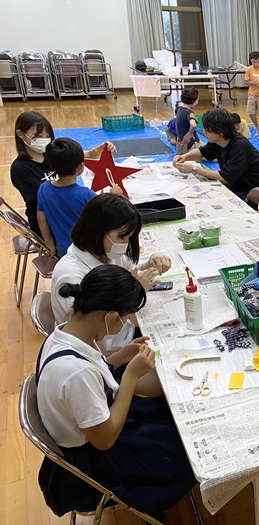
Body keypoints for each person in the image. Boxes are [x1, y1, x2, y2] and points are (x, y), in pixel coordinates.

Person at [37, 265, 196, 520]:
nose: (125, 324)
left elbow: (93, 375)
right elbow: (105, 440)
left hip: (96, 424)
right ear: (111, 317)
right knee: (187, 449)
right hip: (97, 457)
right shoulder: (75, 373)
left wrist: (120, 357)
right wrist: (131, 375)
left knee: (173, 412)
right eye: (126, 317)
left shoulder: (66, 334)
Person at [52, 193, 171, 355]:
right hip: (107, 349)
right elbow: (98, 338)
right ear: (97, 231)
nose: (126, 244)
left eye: (129, 237)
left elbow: (131, 271)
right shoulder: (71, 276)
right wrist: (137, 293)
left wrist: (150, 262)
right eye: (122, 237)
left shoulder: (107, 252)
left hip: (123, 330)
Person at [11, 111, 115, 237]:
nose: (44, 140)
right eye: (38, 136)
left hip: (67, 212)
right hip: (52, 222)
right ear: (20, 134)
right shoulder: (20, 169)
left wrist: (100, 149)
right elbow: (45, 205)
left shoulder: (51, 153)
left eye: (47, 136)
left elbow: (87, 154)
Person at [172, 108, 259, 203]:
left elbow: (224, 177)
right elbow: (202, 152)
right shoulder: (218, 141)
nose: (204, 132)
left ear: (220, 132)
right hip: (235, 185)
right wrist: (184, 157)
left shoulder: (240, 146)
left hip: (250, 193)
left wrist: (195, 169)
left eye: (207, 130)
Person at [37, 138, 97, 257]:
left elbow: (41, 218)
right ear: (80, 167)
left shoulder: (44, 188)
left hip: (63, 253)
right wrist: (114, 196)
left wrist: (50, 245)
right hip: (88, 254)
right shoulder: (87, 195)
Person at [175, 87, 200, 155]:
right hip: (191, 146)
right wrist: (190, 133)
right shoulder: (189, 112)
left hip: (181, 146)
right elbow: (193, 125)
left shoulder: (180, 109)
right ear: (193, 101)